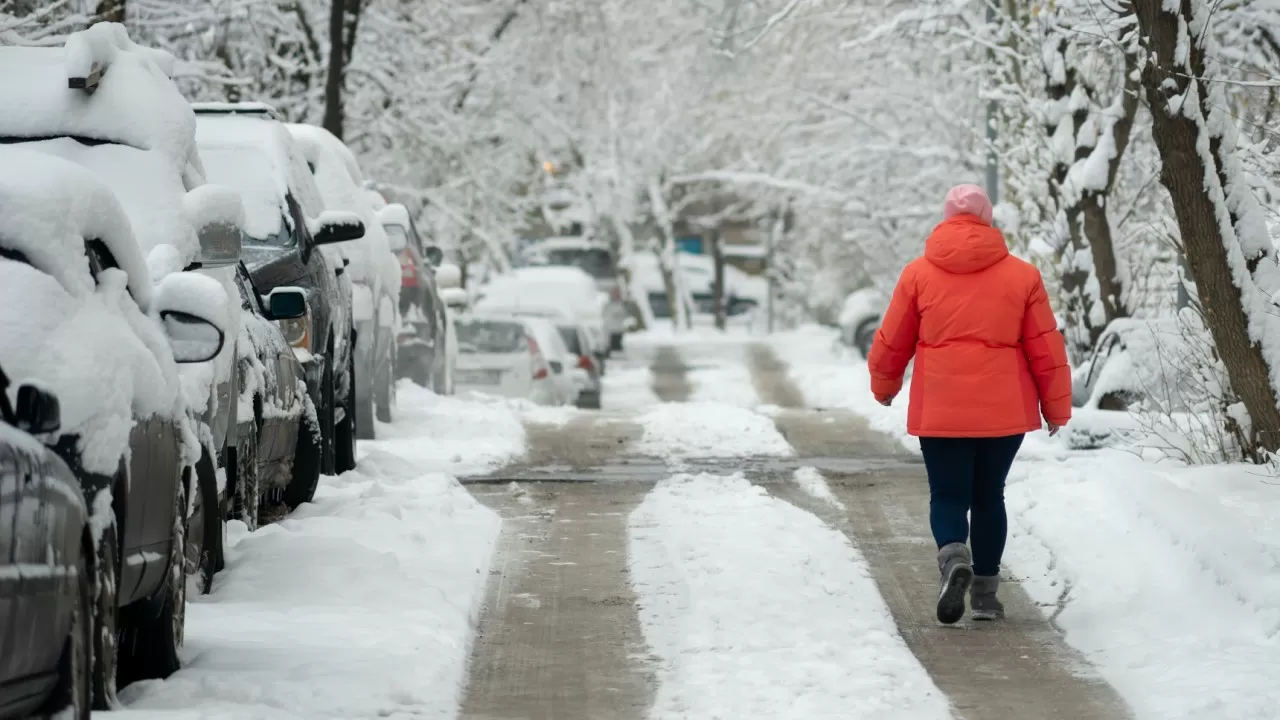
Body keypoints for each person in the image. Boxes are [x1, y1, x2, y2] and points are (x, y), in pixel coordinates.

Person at [867, 184, 1071, 625]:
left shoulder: (917, 274)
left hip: (940, 407)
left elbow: (893, 336)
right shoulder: (1023, 276)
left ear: (945, 219)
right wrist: (1056, 407)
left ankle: (953, 555)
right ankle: (985, 595)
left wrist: (884, 384)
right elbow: (1045, 348)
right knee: (988, 495)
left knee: (947, 493)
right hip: (1003, 411)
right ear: (988, 220)